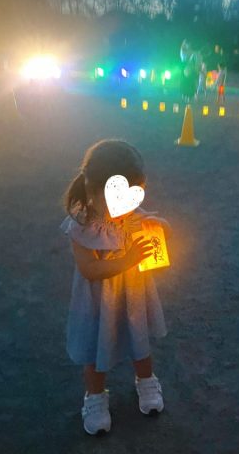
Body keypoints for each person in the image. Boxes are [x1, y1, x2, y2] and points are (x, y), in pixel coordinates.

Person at [61, 140, 169, 435]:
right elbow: (89, 270)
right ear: (92, 189)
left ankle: (146, 380)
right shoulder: (81, 224)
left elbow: (150, 224)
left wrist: (160, 227)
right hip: (97, 302)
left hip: (133, 295)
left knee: (139, 339)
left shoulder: (129, 211)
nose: (127, 208)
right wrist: (128, 260)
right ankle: (95, 396)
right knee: (94, 350)